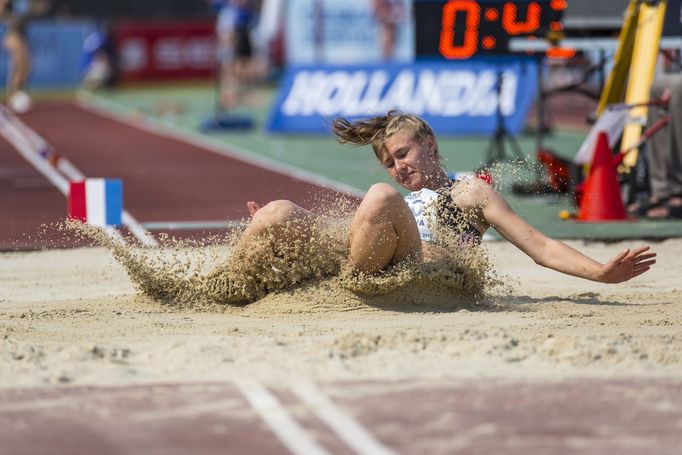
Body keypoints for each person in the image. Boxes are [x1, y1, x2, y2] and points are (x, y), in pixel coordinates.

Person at [239, 111, 656, 284]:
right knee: (277, 212)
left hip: (420, 271)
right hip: (362, 258)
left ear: (430, 143)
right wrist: (279, 232)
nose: (398, 167)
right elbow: (353, 234)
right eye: (389, 162)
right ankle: (222, 283)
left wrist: (600, 272)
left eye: (403, 154)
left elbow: (540, 245)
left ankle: (342, 282)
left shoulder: (469, 190)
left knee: (381, 197)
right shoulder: (396, 200)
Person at [0, 0, 31, 113]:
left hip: (19, 31)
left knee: (26, 64)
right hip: (8, 32)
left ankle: (16, 93)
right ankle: (13, 95)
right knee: (20, 62)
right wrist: (10, 18)